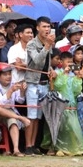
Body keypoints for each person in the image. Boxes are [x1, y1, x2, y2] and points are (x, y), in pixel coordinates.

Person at [23, 16, 55, 156]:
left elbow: (48, 62)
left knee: (38, 117)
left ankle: (34, 144)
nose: (46, 29)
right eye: (44, 27)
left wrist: (51, 70)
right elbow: (36, 60)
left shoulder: (49, 42)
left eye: (48, 27)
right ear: (37, 28)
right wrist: (47, 46)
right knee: (31, 116)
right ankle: (28, 145)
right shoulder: (31, 44)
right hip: (32, 83)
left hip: (44, 83)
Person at [46, 51, 83, 156]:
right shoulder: (57, 72)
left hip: (71, 104)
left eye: (71, 62)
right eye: (68, 62)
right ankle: (59, 148)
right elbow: (58, 86)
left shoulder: (73, 74)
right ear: (61, 61)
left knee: (74, 127)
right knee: (61, 128)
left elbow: (77, 90)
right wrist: (64, 74)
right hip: (60, 104)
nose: (70, 64)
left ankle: (77, 147)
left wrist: (78, 78)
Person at [0, 63, 30, 157]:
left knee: (13, 121)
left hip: (9, 112)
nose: (8, 76)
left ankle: (16, 150)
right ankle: (20, 118)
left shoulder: (13, 83)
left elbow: (20, 101)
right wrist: (10, 91)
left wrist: (22, 92)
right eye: (5, 74)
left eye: (9, 74)